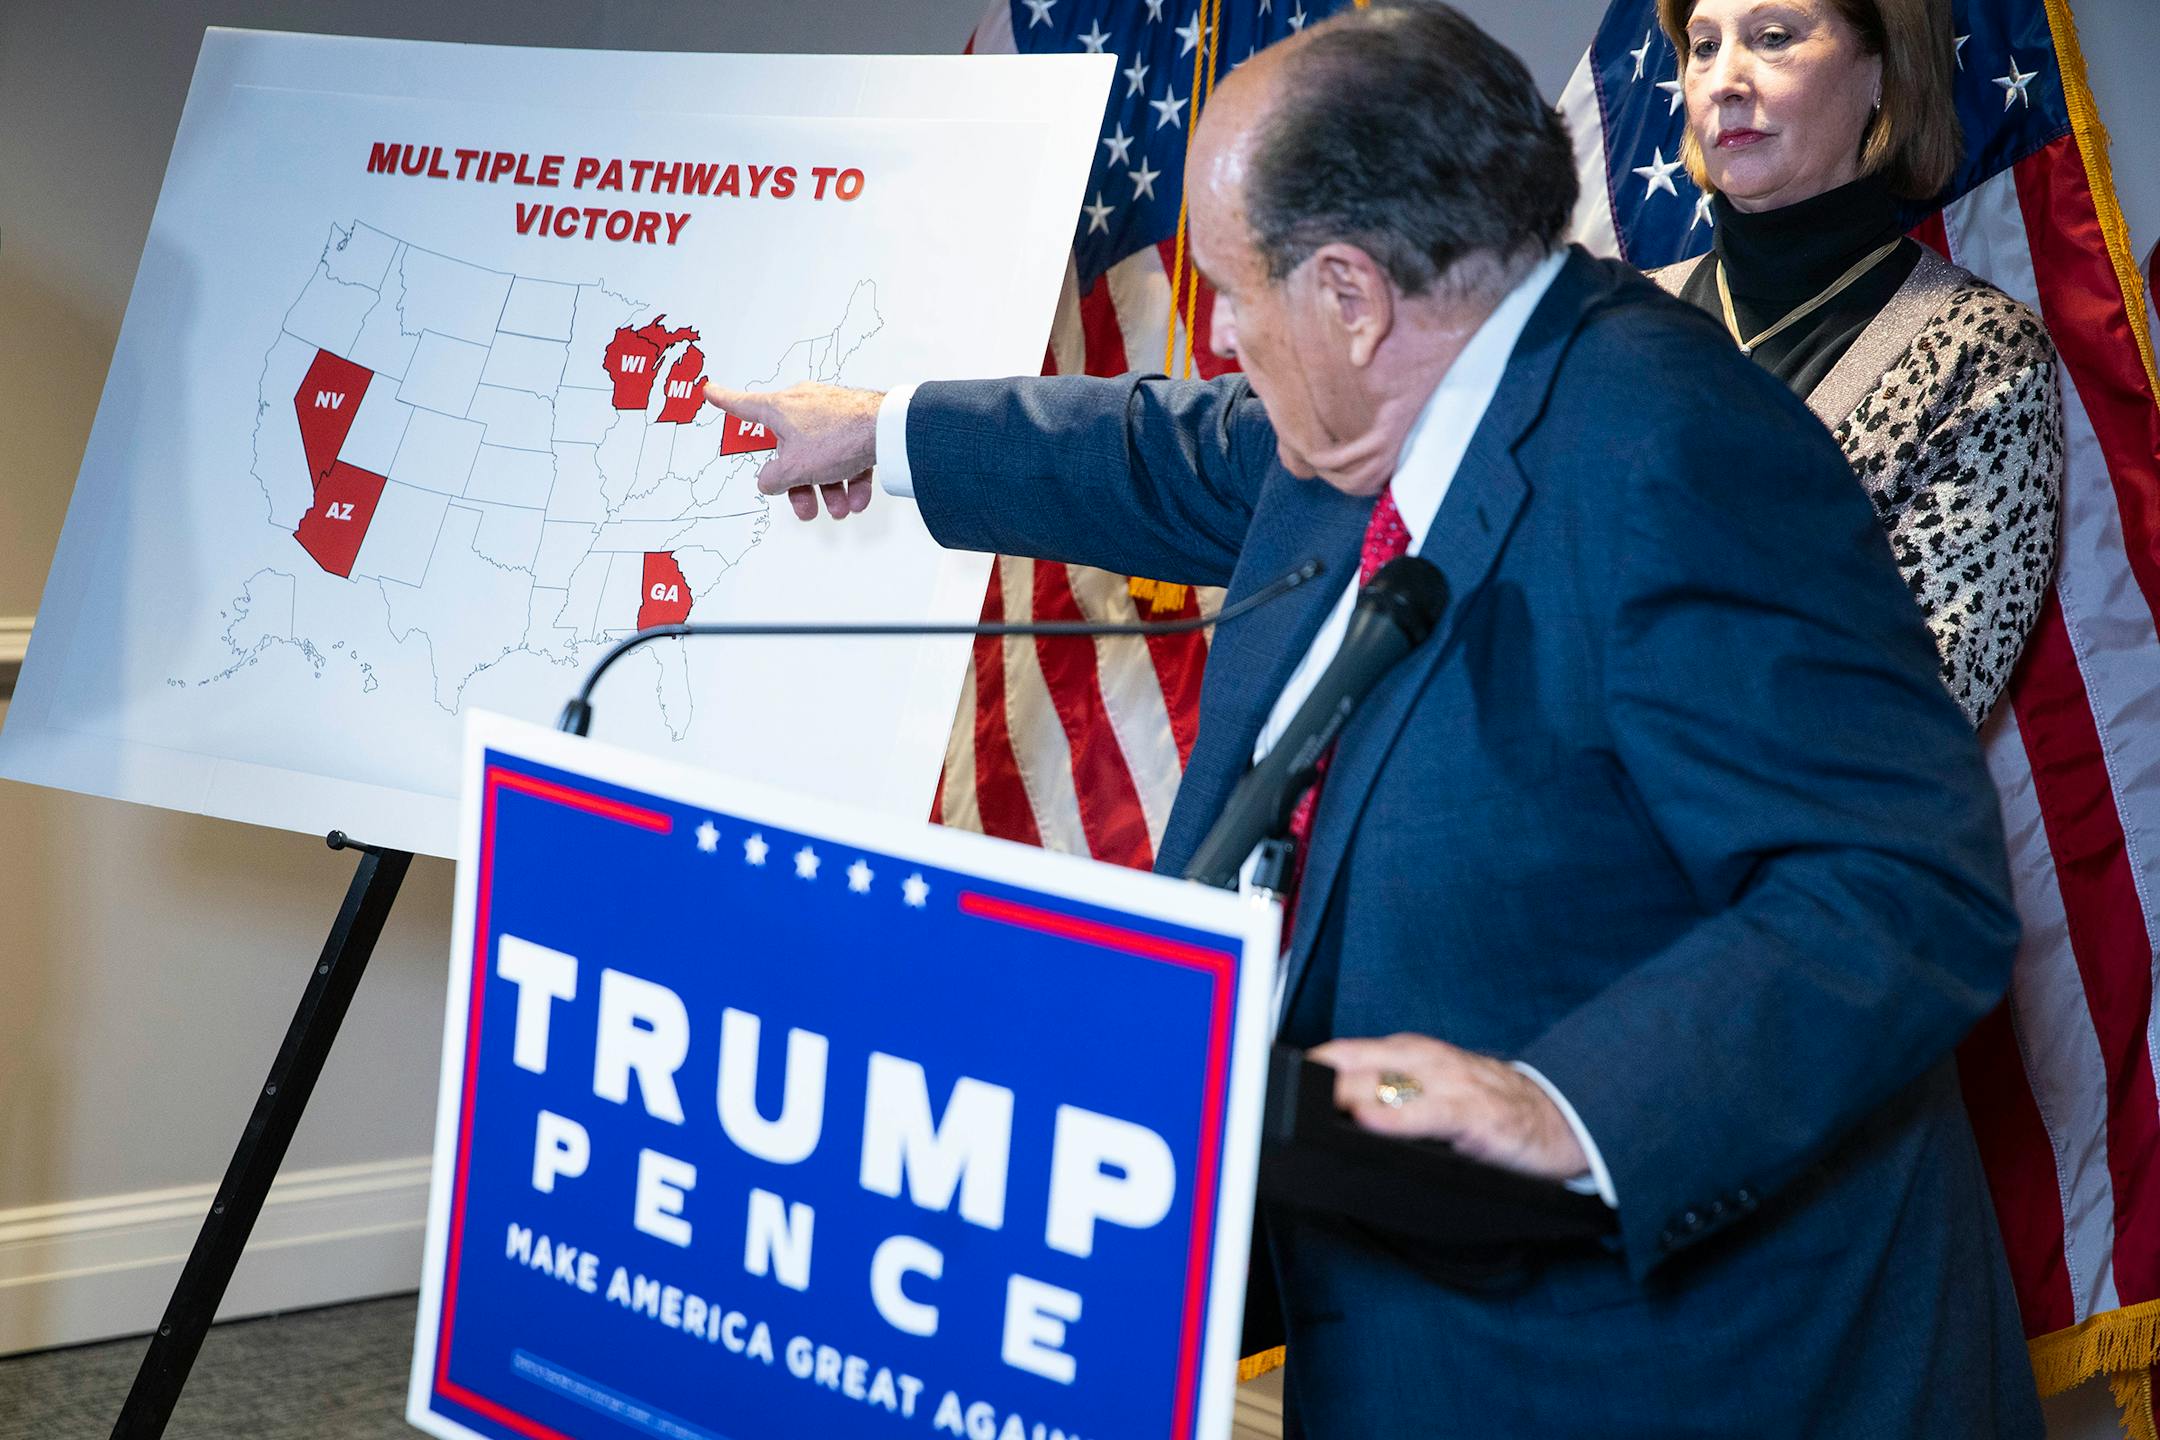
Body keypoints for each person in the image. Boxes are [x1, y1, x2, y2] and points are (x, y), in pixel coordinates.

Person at [704, 3, 2041, 1434]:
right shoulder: (1393, 399)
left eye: (1234, 290)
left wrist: (1561, 1107)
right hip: (1403, 1303)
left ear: (1350, 294)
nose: (1219, 332)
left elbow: (1902, 887)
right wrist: (887, 429)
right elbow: (1172, 446)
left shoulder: (1685, 460)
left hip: (1678, 1363)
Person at [1652, 0, 2062, 722]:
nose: (1724, 81)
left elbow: (1902, 720)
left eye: (1771, 39)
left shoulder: (1978, 358)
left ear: (1881, 71)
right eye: (1703, 46)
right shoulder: (1612, 326)